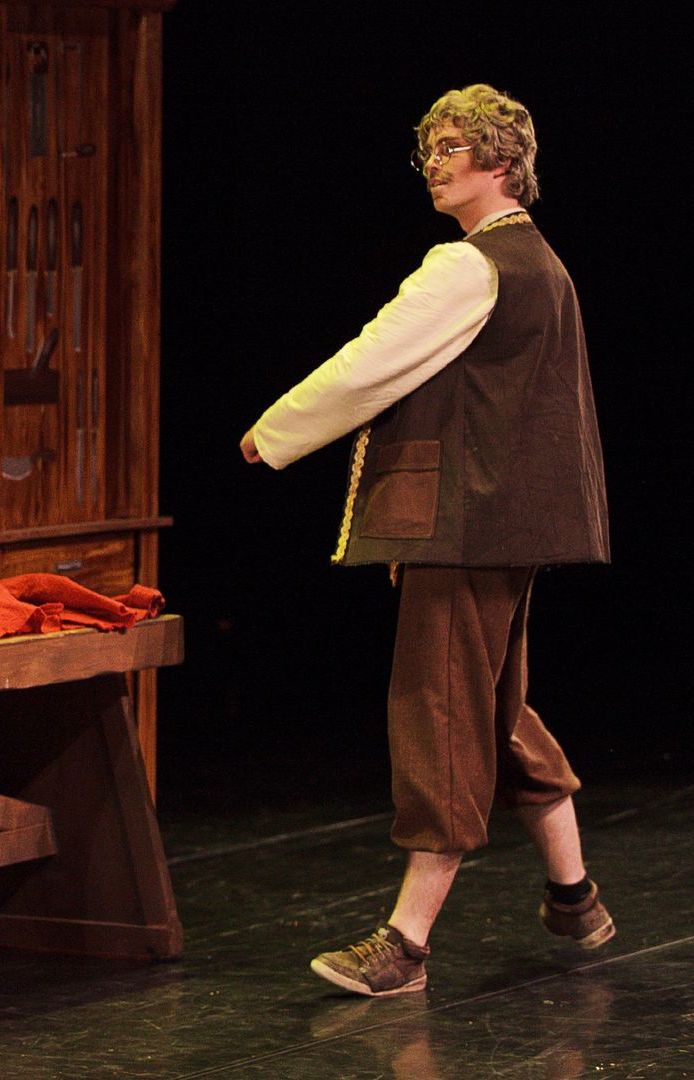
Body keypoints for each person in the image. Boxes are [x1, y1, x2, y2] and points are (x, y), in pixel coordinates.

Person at [238, 84, 611, 997]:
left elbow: (370, 362)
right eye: (429, 150)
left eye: (450, 148)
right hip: (506, 526)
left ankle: (405, 943)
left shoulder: (468, 266)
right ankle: (574, 896)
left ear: (499, 160)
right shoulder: (542, 262)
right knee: (493, 707)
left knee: (437, 714)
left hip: (464, 523)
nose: (433, 165)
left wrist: (274, 432)